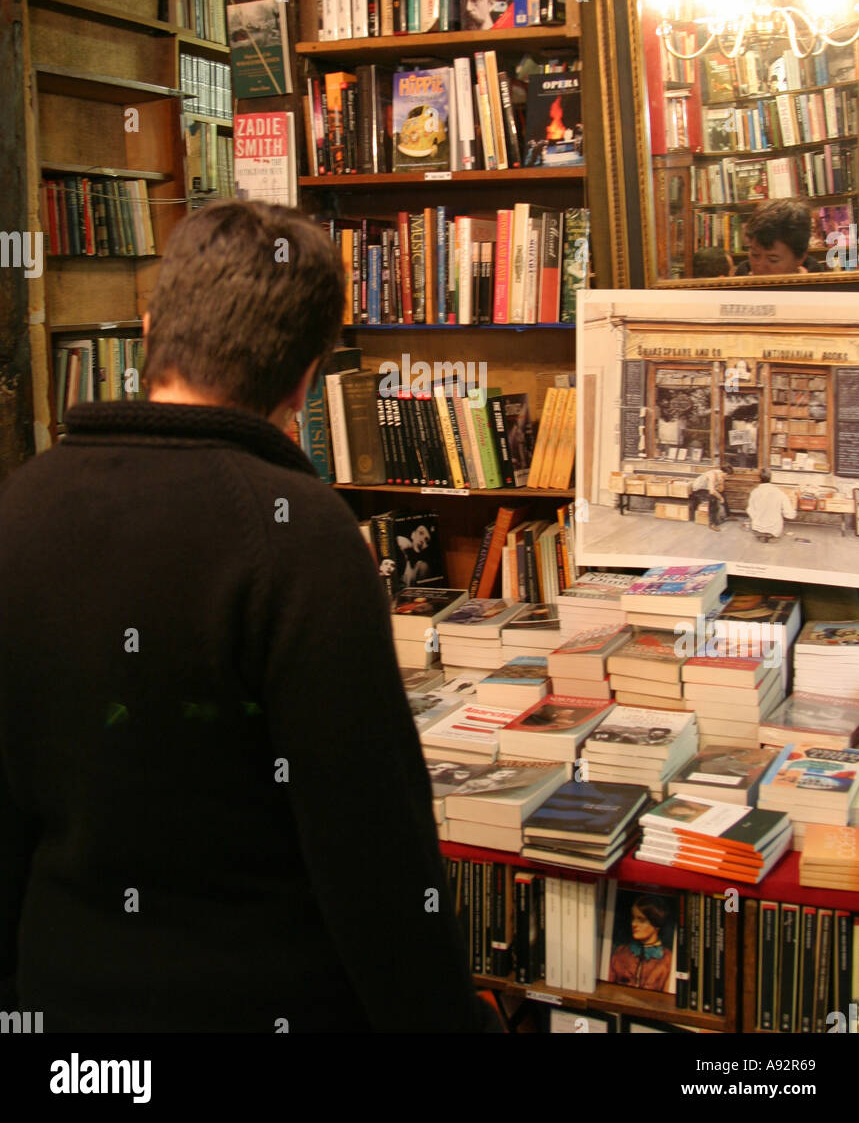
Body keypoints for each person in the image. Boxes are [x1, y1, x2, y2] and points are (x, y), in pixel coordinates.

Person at [0, 201, 498, 1034]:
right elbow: (372, 854)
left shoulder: (21, 508)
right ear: (308, 376)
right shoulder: (298, 535)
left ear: (154, 327)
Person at [735, 198, 821, 276]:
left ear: (800, 258)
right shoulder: (734, 288)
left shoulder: (822, 290)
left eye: (773, 260)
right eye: (755, 255)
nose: (760, 267)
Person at [608, 896, 673, 992]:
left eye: (641, 920)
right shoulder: (621, 953)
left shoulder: (667, 959)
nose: (634, 924)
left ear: (656, 923)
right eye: (633, 918)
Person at [746, 468, 797, 543]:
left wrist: (758, 519)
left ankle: (762, 535)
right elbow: (790, 515)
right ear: (771, 478)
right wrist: (794, 504)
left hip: (757, 530)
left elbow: (750, 510)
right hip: (774, 531)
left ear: (759, 478)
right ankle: (769, 536)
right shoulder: (779, 493)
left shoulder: (754, 492)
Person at [689, 461, 734, 531]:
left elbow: (721, 490)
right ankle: (712, 523)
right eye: (727, 476)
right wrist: (720, 497)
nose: (727, 478)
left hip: (707, 489)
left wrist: (721, 482)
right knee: (713, 498)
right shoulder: (712, 475)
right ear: (723, 473)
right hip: (698, 490)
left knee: (723, 493)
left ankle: (727, 516)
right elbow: (712, 491)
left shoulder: (720, 475)